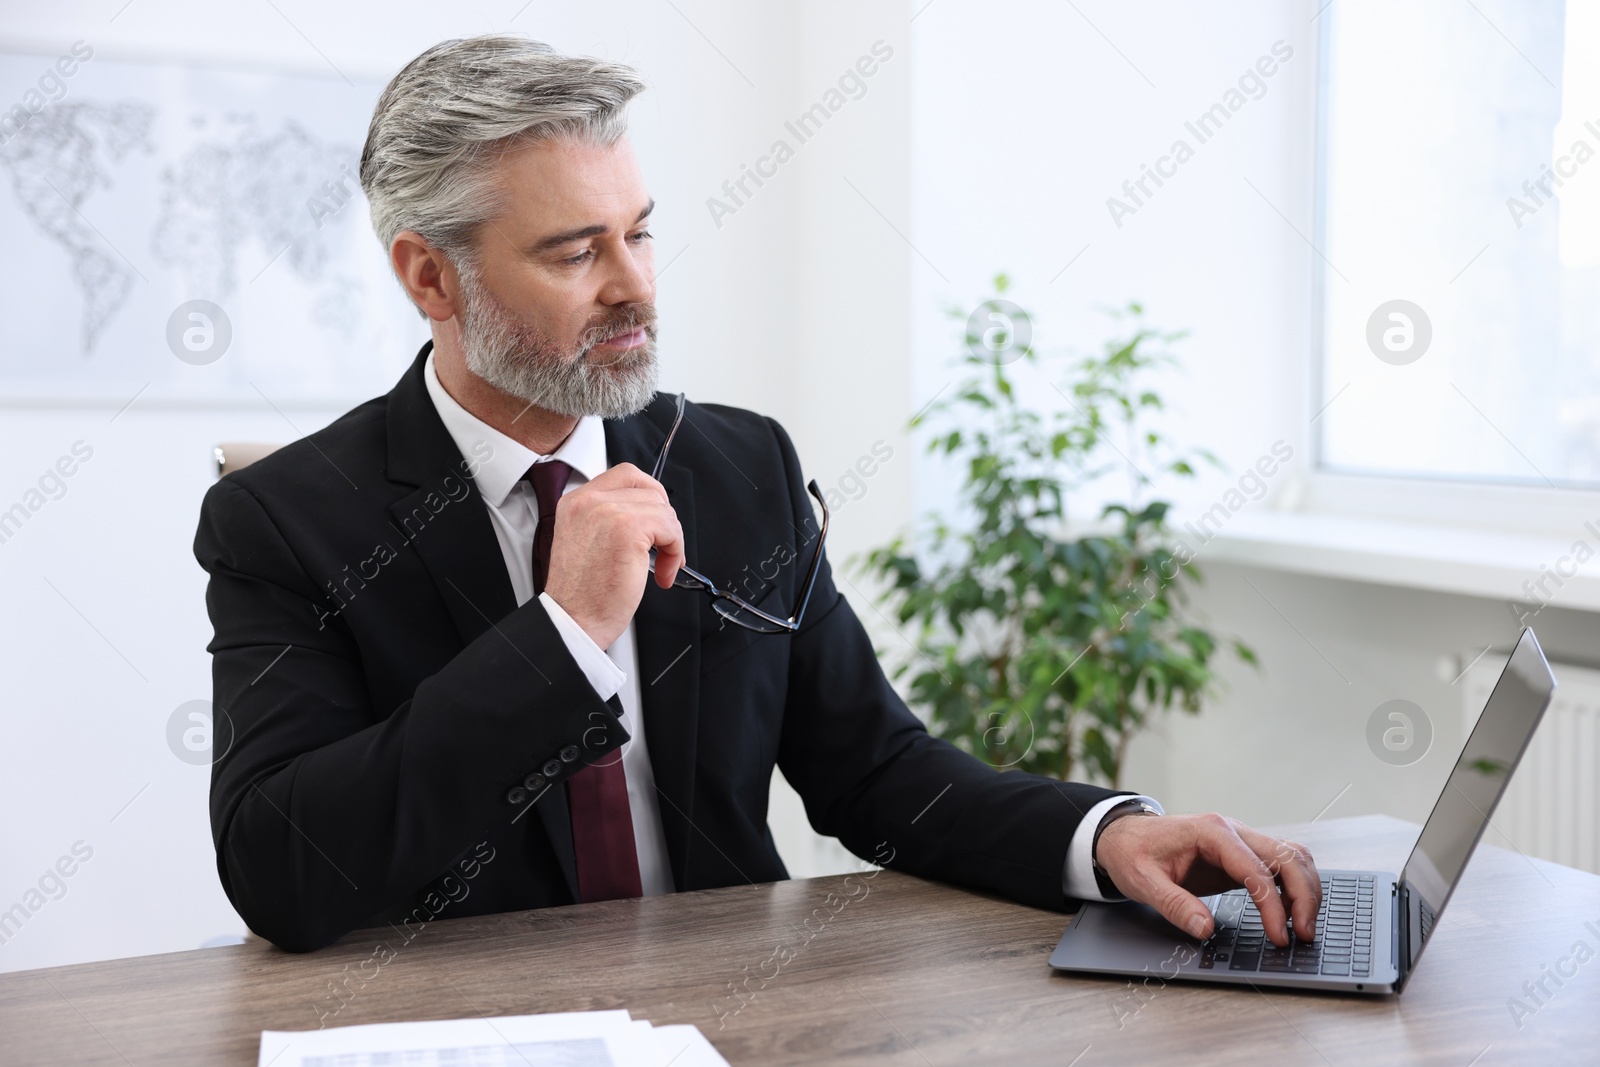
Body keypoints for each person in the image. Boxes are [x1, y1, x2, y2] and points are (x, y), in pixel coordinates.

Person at [193, 33, 1320, 954]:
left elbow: (876, 772)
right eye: (577, 252)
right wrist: (566, 633)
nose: (635, 284)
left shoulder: (739, 467)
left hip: (738, 1007)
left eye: (638, 233)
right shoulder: (285, 520)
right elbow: (283, 869)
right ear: (429, 274)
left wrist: (1102, 834)